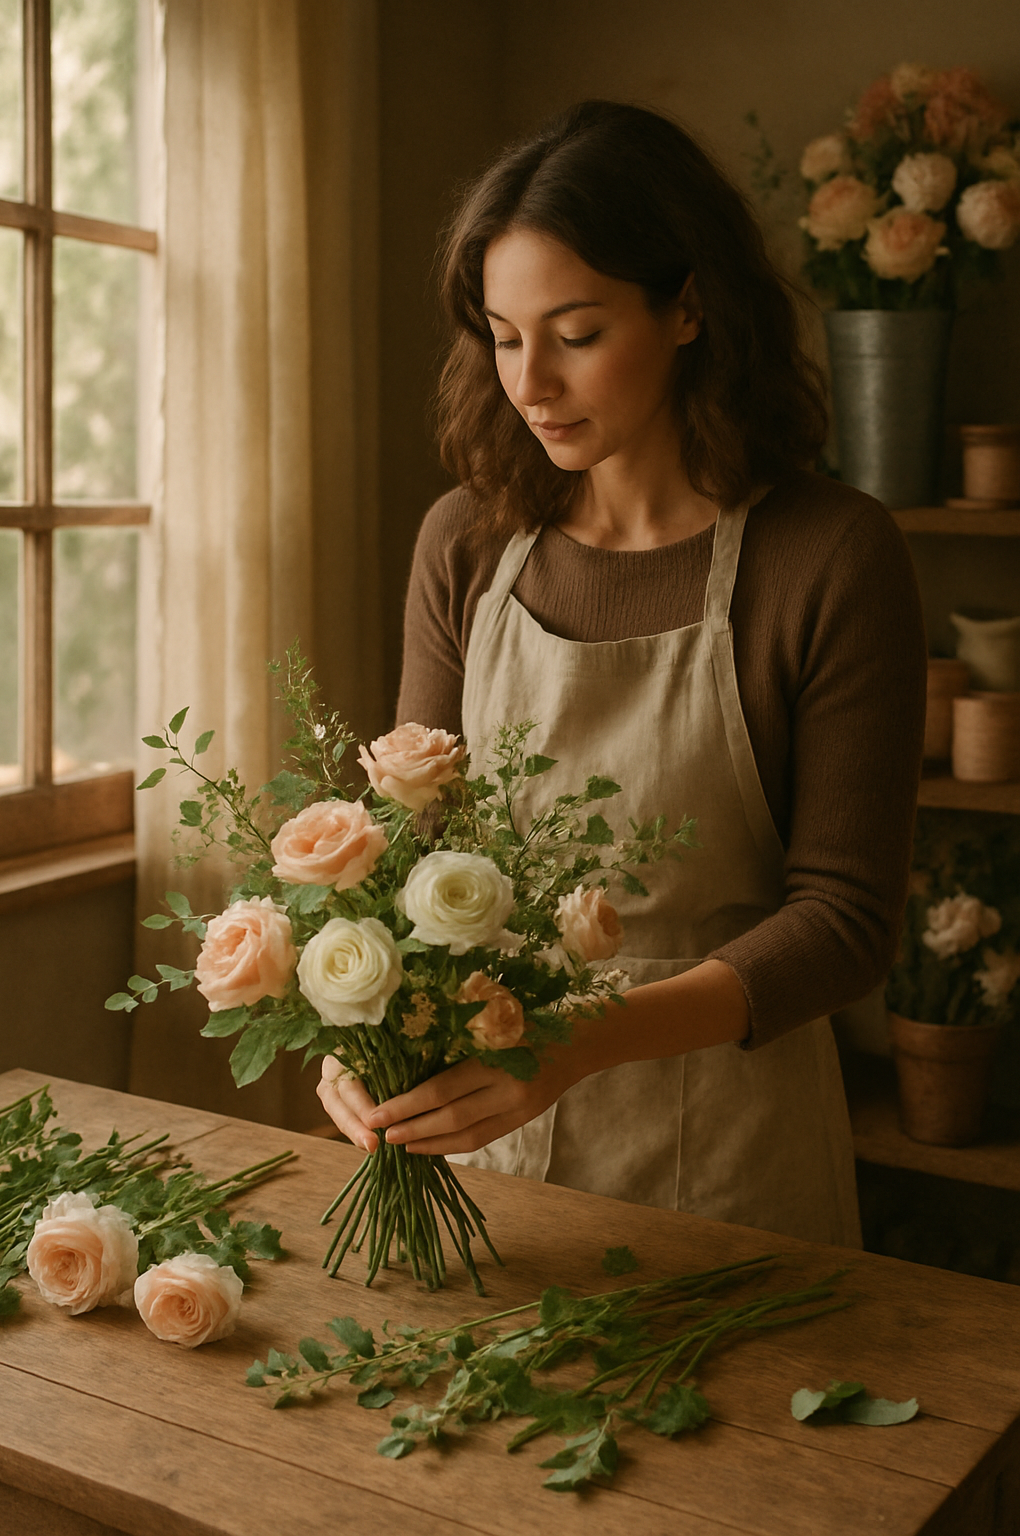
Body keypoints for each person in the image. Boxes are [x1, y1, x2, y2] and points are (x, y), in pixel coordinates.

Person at [318, 100, 927, 1246]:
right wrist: (357, 1020)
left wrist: (583, 1039)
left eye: (577, 332)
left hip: (733, 1176)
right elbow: (409, 858)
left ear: (688, 306)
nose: (530, 382)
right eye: (502, 334)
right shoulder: (465, 542)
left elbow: (845, 919)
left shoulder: (830, 555)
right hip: (485, 1153)